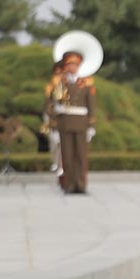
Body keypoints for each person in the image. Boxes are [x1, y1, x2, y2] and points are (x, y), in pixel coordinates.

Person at [44, 52, 95, 194]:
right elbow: (48, 104)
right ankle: (69, 185)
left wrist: (91, 126)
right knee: (67, 155)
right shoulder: (58, 83)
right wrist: (54, 119)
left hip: (81, 122)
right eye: (69, 64)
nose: (71, 67)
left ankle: (81, 185)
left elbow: (91, 105)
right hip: (64, 122)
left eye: (74, 64)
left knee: (81, 156)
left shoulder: (86, 82)